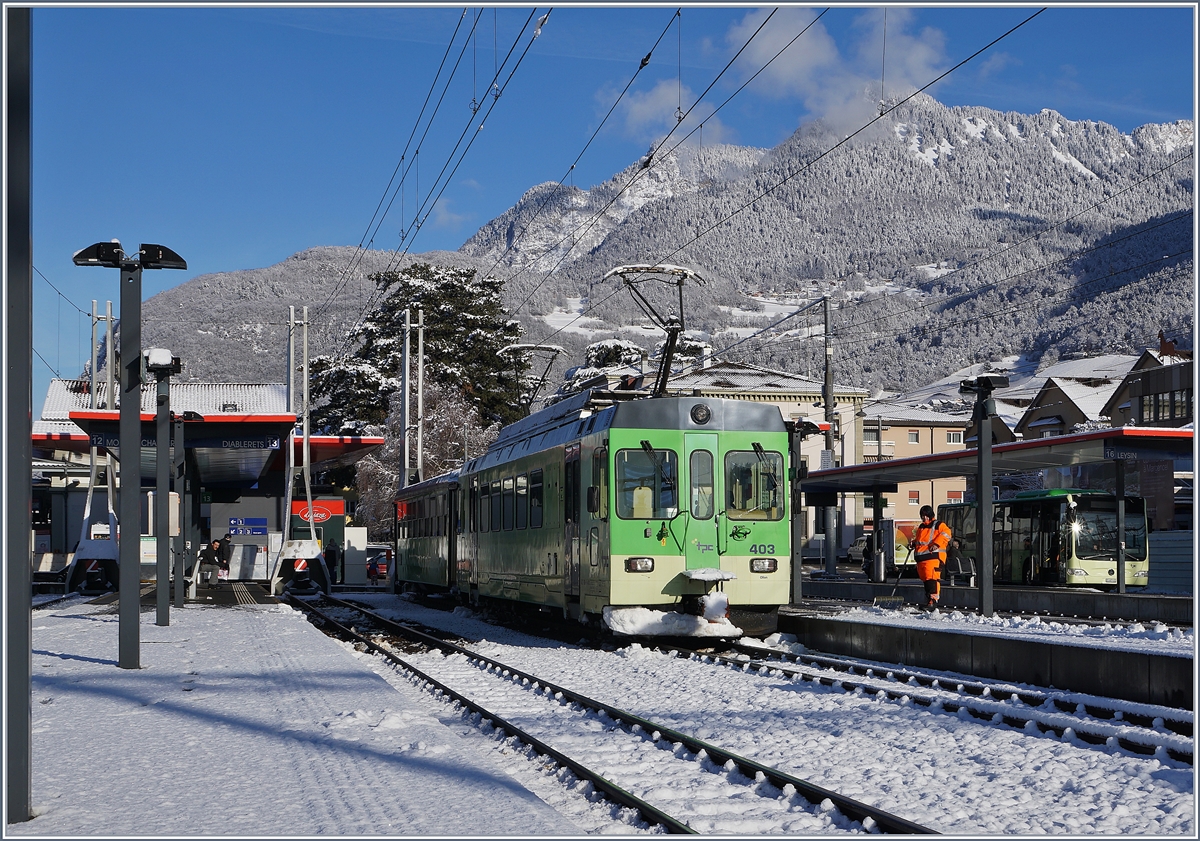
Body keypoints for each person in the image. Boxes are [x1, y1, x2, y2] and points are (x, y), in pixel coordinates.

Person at [909, 505, 952, 607]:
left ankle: (932, 601)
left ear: (930, 515)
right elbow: (921, 540)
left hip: (933, 557)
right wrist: (914, 543)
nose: (924, 518)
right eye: (922, 515)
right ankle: (929, 600)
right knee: (926, 579)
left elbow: (947, 533)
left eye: (926, 515)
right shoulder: (921, 527)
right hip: (922, 558)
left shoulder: (938, 525)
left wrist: (936, 544)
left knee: (932, 578)